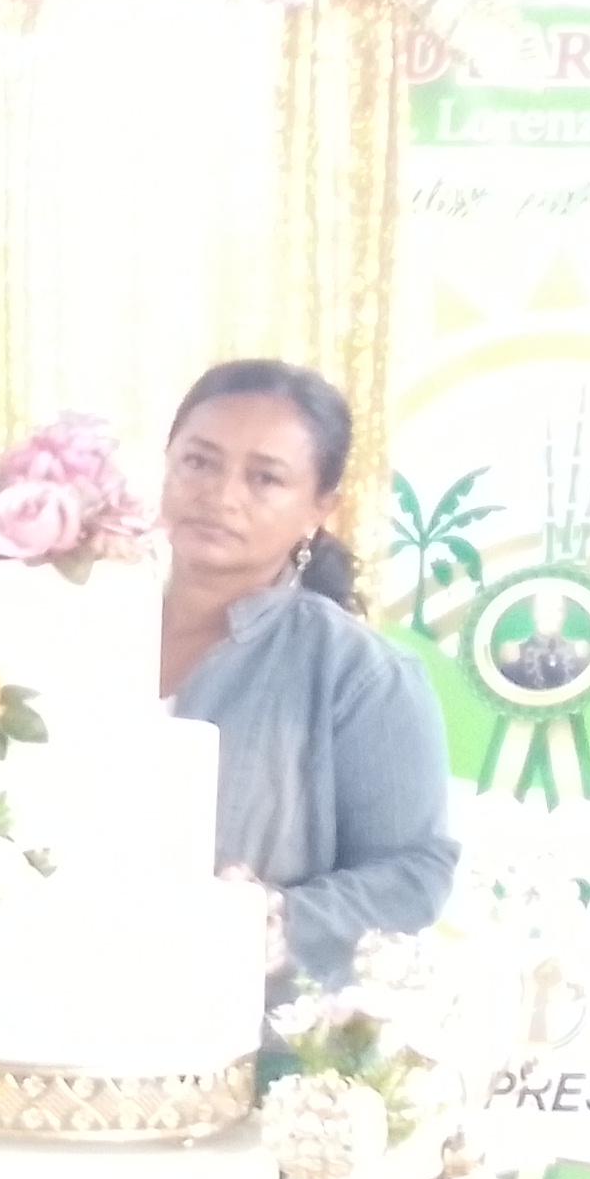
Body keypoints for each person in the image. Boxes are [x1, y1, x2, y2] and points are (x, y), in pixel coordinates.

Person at [150, 360, 456, 985]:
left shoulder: (361, 674)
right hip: (43, 1011)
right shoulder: (76, 623)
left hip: (235, 1020)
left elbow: (414, 876)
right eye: (199, 462)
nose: (221, 495)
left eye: (264, 478)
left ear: (319, 509)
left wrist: (278, 917)